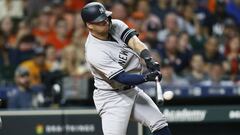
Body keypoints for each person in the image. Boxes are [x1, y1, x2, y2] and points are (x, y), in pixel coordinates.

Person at [81, 2, 172, 135]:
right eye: (100, 21)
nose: (106, 22)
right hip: (111, 97)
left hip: (131, 91)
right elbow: (122, 78)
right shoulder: (94, 51)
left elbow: (134, 42)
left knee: (159, 123)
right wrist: (147, 77)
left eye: (105, 18)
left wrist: (148, 59)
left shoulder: (115, 24)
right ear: (90, 25)